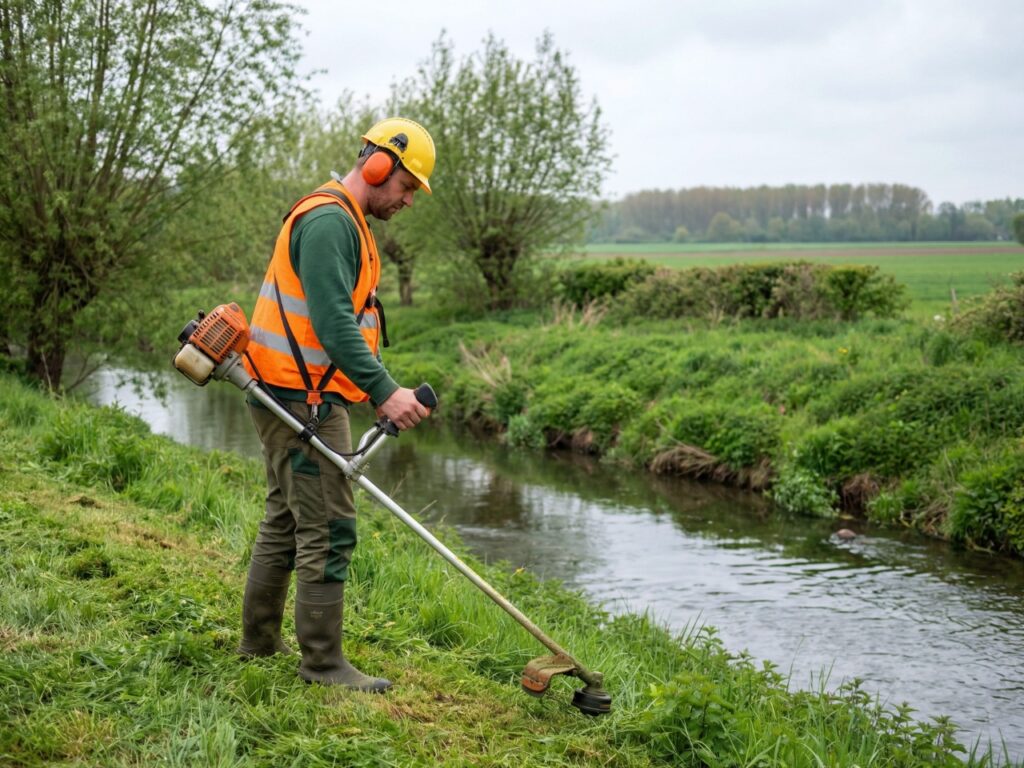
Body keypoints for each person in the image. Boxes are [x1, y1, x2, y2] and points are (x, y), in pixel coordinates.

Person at [237, 117, 435, 692]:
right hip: (301, 399)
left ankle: (259, 642)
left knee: (286, 516)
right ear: (379, 166)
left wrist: (362, 389)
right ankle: (322, 664)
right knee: (329, 525)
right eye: (405, 186)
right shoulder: (329, 222)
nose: (406, 200)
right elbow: (332, 324)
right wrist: (386, 391)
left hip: (294, 389)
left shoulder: (343, 219)